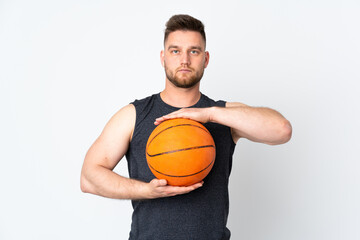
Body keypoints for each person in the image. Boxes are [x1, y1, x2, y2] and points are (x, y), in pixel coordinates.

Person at [80, 14, 292, 240]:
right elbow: (89, 177)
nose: (184, 60)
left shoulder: (224, 115)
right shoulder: (134, 115)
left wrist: (210, 114)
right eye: (175, 51)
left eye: (194, 51)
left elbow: (281, 130)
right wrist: (147, 191)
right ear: (163, 58)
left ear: (206, 59)